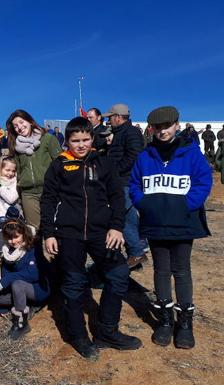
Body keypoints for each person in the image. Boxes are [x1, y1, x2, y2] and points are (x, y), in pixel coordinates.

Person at [40, 116, 142, 361]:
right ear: (68, 141)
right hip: (69, 235)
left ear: (92, 139)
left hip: (101, 232)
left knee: (118, 273)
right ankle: (78, 337)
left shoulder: (103, 163)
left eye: (86, 139)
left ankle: (107, 331)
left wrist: (116, 227)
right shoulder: (60, 165)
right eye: (76, 140)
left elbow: (118, 197)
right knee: (74, 285)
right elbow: (48, 200)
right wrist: (48, 233)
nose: (81, 145)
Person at [129, 106, 212, 349]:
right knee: (161, 270)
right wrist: (143, 203)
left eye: (167, 126)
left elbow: (203, 181)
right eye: (158, 127)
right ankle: (165, 320)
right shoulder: (145, 156)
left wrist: (187, 204)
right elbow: (134, 184)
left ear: (177, 125)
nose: (163, 131)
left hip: (183, 222)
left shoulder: (191, 153)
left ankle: (185, 323)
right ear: (151, 129)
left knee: (182, 270)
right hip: (155, 222)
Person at [101, 103, 148, 268]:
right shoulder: (122, 132)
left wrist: (114, 171)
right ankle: (136, 252)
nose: (108, 121)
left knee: (122, 217)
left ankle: (136, 251)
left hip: (125, 181)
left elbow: (134, 156)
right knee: (128, 216)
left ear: (118, 117)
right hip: (121, 181)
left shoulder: (131, 132)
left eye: (110, 117)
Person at [0, 219, 49, 340]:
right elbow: (6, 274)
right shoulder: (7, 252)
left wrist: (8, 279)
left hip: (36, 288)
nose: (13, 241)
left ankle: (21, 322)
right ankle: (13, 303)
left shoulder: (33, 248)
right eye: (9, 238)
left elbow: (33, 274)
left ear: (23, 233)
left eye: (16, 237)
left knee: (18, 284)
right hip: (16, 289)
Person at [6, 109, 62, 228]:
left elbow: (60, 164)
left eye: (21, 122)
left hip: (49, 190)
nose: (19, 127)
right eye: (15, 126)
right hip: (28, 193)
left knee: (53, 226)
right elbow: (18, 170)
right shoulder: (16, 147)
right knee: (34, 229)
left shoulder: (48, 139)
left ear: (30, 121)